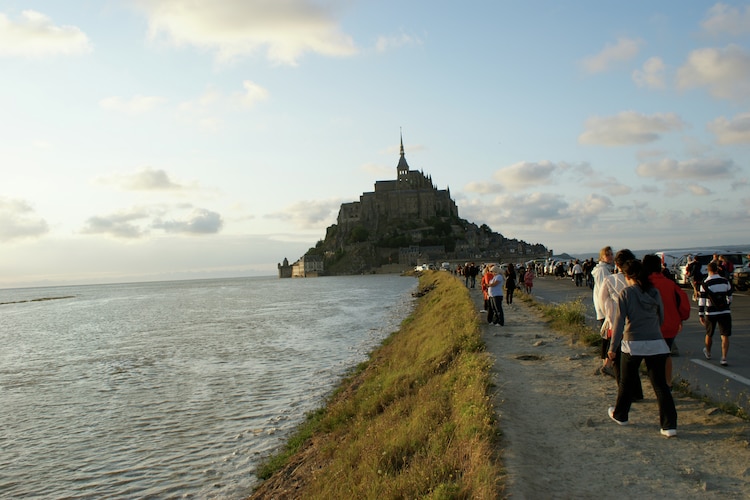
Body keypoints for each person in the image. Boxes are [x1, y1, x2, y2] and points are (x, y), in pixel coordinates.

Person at [607, 259, 677, 438]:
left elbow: (619, 322)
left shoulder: (626, 293)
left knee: (626, 382)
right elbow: (660, 317)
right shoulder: (654, 292)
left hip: (633, 344)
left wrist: (612, 348)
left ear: (627, 276)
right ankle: (669, 426)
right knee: (660, 385)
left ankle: (621, 414)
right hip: (656, 343)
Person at [598, 249, 641, 400]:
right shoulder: (638, 279)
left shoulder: (610, 280)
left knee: (616, 359)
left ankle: (624, 390)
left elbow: (602, 301)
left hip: (615, 322)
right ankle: (637, 391)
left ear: (617, 264)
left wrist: (608, 316)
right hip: (635, 323)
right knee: (633, 359)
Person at [643, 254, 691, 388]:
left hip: (651, 327)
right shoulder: (670, 283)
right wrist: (681, 318)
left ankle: (658, 384)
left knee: (652, 358)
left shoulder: (644, 285)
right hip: (670, 326)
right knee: (666, 354)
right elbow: (683, 303)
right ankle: (668, 382)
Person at [698, 260, 733, 366]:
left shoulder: (705, 284)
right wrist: (725, 305)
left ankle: (708, 352)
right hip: (725, 311)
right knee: (725, 335)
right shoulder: (725, 281)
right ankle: (724, 358)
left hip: (711, 312)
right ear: (717, 270)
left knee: (709, 334)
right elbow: (730, 298)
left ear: (708, 270)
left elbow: (702, 301)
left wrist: (701, 314)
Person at [592, 246, 614, 372]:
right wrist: (606, 310)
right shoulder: (602, 270)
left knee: (607, 335)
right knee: (608, 335)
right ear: (602, 257)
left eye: (611, 254)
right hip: (605, 307)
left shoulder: (605, 269)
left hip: (605, 306)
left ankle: (606, 362)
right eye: (608, 255)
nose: (611, 257)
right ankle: (606, 363)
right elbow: (603, 290)